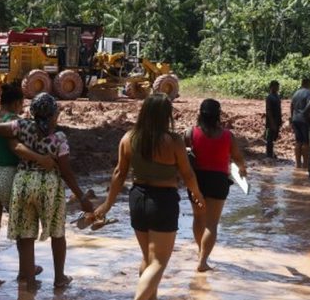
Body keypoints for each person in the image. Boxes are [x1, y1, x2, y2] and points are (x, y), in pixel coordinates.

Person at [91, 94, 205, 300]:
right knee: (159, 262)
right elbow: (187, 173)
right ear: (166, 115)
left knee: (148, 258)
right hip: (163, 201)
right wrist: (198, 195)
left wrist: (107, 204)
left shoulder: (128, 138)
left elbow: (119, 173)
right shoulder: (174, 141)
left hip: (137, 199)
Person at [0, 93, 94, 292]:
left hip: (23, 184)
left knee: (26, 235)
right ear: (54, 116)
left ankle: (30, 281)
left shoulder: (20, 127)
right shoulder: (59, 139)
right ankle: (59, 278)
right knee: (57, 233)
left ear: (33, 113)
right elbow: (66, 172)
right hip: (49, 187)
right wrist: (81, 197)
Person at [0, 85, 57, 287]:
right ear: (15, 103)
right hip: (7, 175)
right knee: (23, 228)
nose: (22, 108)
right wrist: (40, 158)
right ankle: (25, 272)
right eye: (21, 104)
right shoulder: (14, 122)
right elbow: (16, 147)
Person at [185, 99, 247, 272]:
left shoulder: (190, 133)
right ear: (218, 114)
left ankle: (200, 252)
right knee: (212, 223)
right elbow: (237, 157)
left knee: (198, 218)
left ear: (200, 113)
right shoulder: (228, 135)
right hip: (219, 181)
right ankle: (203, 260)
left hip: (196, 180)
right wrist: (242, 169)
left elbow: (184, 158)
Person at [289, 78, 310, 169]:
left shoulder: (296, 93)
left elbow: (291, 106)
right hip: (304, 120)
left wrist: (291, 118)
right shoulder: (309, 93)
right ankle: (305, 164)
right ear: (308, 84)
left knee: (298, 141)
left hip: (295, 119)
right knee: (306, 142)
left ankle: (298, 164)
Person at [264, 80, 282, 159]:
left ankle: (271, 153)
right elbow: (268, 110)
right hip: (271, 121)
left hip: (277, 120)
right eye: (275, 86)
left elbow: (279, 109)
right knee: (269, 138)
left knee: (274, 137)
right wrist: (272, 123)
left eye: (278, 86)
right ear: (271, 87)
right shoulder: (269, 97)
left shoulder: (277, 96)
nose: (277, 88)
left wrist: (280, 121)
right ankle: (269, 154)